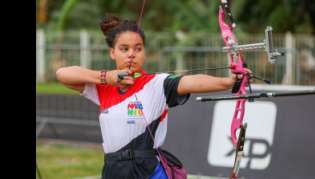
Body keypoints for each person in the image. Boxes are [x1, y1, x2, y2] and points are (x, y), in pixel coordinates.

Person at [56, 15, 246, 179]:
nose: (132, 54)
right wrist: (106, 77)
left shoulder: (157, 83)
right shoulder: (103, 87)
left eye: (138, 48)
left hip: (147, 168)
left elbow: (191, 82)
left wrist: (228, 82)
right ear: (112, 53)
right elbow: (62, 74)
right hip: (113, 169)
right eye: (124, 49)